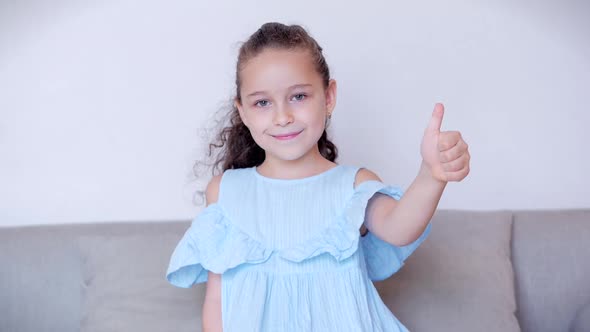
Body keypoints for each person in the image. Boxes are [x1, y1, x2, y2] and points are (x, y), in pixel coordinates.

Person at [166, 22, 470, 332]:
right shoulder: (225, 191)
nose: (282, 117)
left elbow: (398, 228)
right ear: (243, 112)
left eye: (298, 96)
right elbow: (218, 300)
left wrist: (431, 174)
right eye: (262, 103)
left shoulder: (353, 185)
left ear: (328, 97)